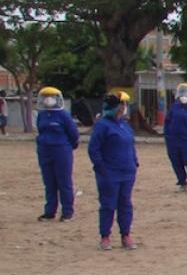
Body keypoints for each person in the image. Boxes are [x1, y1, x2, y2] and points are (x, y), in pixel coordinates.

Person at [87, 90, 139, 250]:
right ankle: (105, 237)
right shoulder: (103, 126)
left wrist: (135, 162)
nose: (124, 108)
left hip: (127, 172)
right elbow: (93, 149)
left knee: (125, 204)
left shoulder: (125, 125)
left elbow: (130, 145)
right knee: (108, 205)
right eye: (122, 105)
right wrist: (102, 168)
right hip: (109, 174)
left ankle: (126, 235)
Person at [35, 86, 79, 222]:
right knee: (49, 182)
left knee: (64, 181)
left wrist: (68, 146)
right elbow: (40, 131)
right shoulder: (41, 115)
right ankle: (49, 211)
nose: (49, 100)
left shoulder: (63, 115)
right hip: (44, 151)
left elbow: (73, 134)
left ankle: (67, 211)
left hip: (62, 151)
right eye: (46, 97)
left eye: (52, 97)